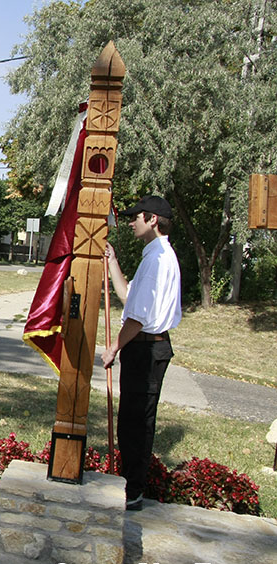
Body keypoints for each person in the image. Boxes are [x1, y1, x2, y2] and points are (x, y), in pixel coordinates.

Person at [101, 195, 182, 511]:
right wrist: (112, 262)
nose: (131, 221)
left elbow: (137, 318)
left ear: (152, 220)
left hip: (148, 348)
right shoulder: (156, 256)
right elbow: (128, 296)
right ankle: (130, 485)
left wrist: (113, 348)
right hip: (146, 346)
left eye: (137, 216)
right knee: (131, 422)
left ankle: (133, 490)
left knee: (136, 425)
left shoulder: (157, 260)